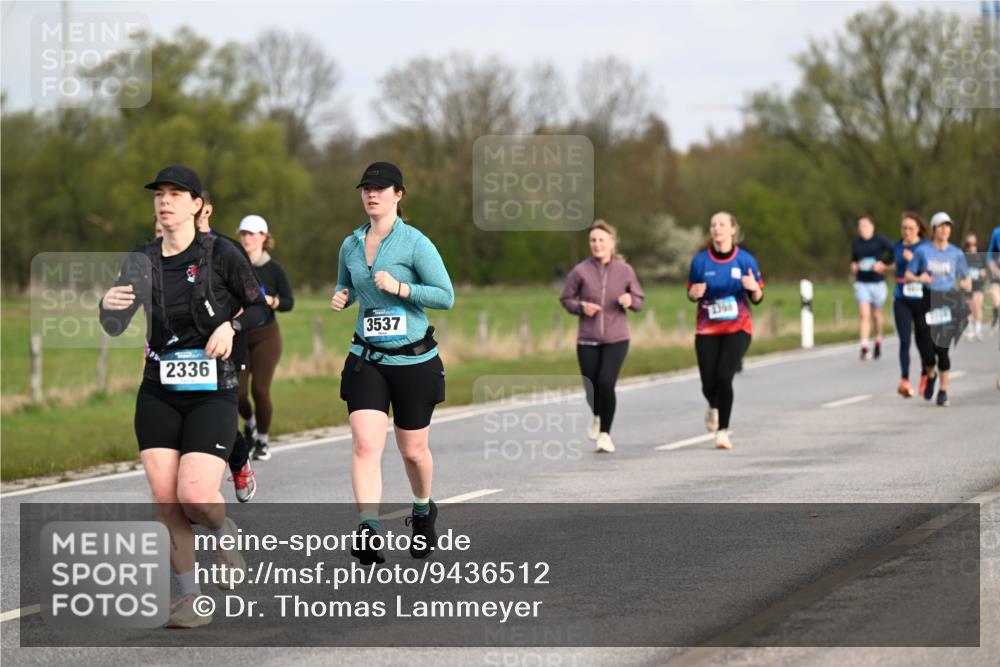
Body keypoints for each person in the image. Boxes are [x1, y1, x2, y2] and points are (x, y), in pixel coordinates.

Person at [100, 165, 269, 627]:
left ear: (198, 204)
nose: (165, 200)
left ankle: (221, 528)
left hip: (213, 389)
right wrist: (107, 307)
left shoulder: (221, 253)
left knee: (195, 495)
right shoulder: (141, 258)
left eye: (177, 193)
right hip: (158, 389)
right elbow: (115, 322)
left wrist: (230, 326)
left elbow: (258, 308)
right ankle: (189, 599)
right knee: (165, 500)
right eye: (160, 194)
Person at [330, 161, 454, 565]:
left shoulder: (415, 243)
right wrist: (342, 297)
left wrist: (401, 287)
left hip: (414, 360)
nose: (372, 194)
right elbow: (347, 284)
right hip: (367, 358)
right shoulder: (350, 244)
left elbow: (445, 295)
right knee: (366, 443)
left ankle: (422, 510)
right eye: (366, 188)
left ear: (398, 196)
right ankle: (368, 527)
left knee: (413, 451)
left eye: (381, 189)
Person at [559, 220, 644, 453]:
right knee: (591, 387)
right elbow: (566, 299)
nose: (596, 245)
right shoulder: (580, 271)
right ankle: (597, 415)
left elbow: (639, 300)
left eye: (601, 240)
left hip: (617, 338)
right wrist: (581, 307)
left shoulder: (625, 271)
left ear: (612, 243)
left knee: (606, 382)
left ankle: (605, 434)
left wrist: (630, 300)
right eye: (593, 241)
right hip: (587, 338)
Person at [194, 190, 257, 501]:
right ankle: (195, 491)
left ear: (207, 210)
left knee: (217, 418)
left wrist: (226, 326)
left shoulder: (227, 249)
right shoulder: (168, 250)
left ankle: (238, 458)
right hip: (181, 351)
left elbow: (250, 301)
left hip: (225, 345)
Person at [687, 212, 764, 450]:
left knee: (724, 376)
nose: (717, 228)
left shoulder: (746, 260)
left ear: (732, 230)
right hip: (707, 328)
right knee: (708, 384)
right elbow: (690, 292)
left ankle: (723, 431)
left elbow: (759, 296)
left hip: (738, 326)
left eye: (722, 224)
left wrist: (753, 289)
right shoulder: (700, 262)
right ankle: (714, 407)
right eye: (713, 225)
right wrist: (693, 294)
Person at [237, 214, 294, 462]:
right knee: (237, 394)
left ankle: (262, 440)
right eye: (243, 234)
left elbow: (289, 302)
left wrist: (272, 301)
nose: (246, 238)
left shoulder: (274, 269)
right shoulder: (235, 264)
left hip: (266, 336)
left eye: (251, 234)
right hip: (238, 335)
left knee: (260, 390)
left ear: (263, 237)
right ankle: (249, 423)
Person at [906, 211, 972, 406]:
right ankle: (931, 373)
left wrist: (966, 284)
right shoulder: (923, 251)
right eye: (941, 226)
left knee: (942, 349)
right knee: (926, 347)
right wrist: (919, 278)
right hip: (927, 299)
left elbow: (966, 278)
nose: (945, 230)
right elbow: (909, 273)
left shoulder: (956, 253)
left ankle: (943, 391)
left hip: (946, 299)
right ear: (934, 230)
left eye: (948, 226)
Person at [891, 212, 933, 398]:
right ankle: (905, 379)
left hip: (922, 298)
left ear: (918, 229)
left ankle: (926, 374)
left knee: (922, 339)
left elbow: (931, 269)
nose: (906, 231)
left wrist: (913, 260)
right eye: (904, 228)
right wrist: (883, 267)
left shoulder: (925, 246)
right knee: (905, 340)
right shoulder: (897, 246)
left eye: (910, 228)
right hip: (902, 298)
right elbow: (894, 265)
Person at [850, 216, 894, 360]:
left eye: (864, 225)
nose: (862, 228)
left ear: (872, 227)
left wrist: (883, 264)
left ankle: (878, 339)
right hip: (862, 282)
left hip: (877, 282)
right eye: (860, 225)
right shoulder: (856, 243)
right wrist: (854, 265)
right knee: (864, 314)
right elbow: (854, 259)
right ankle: (864, 346)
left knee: (876, 315)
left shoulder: (879, 240)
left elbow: (893, 252)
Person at [963, 233, 987, 341]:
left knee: (977, 307)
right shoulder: (963, 256)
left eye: (974, 243)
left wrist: (983, 273)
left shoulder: (981, 256)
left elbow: (985, 270)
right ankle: (970, 330)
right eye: (969, 243)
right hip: (968, 286)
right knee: (969, 309)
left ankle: (978, 330)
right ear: (966, 244)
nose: (972, 246)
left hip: (978, 286)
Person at [987, 225, 1000, 331]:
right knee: (994, 292)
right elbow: (990, 255)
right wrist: (995, 270)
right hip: (997, 269)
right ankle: (996, 315)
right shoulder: (996, 232)